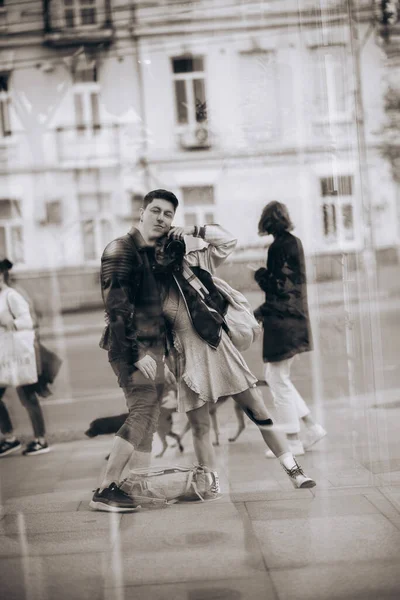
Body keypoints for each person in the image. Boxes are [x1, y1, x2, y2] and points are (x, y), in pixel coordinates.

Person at [156, 219, 316, 497]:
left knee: (260, 413)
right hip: (188, 361)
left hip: (221, 351)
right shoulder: (155, 287)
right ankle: (213, 485)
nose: (166, 251)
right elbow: (156, 330)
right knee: (200, 427)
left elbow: (227, 240)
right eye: (160, 247)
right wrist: (166, 362)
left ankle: (294, 471)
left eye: (170, 243)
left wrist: (194, 230)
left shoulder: (198, 263)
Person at [90, 189, 178, 512]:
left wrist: (162, 355)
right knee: (142, 409)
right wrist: (139, 351)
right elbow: (116, 307)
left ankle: (138, 483)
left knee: (151, 415)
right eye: (156, 211)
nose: (162, 218)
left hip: (152, 350)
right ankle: (105, 488)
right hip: (130, 348)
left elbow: (153, 310)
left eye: (168, 215)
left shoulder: (150, 254)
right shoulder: (121, 250)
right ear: (141, 213)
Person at [253, 201, 327, 457]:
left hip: (283, 322)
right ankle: (312, 426)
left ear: (267, 223)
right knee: (278, 377)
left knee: (276, 379)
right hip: (294, 318)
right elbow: (291, 286)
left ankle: (292, 441)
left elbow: (278, 287)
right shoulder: (293, 242)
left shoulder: (278, 247)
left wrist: (260, 275)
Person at [0, 259, 50, 457]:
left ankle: (41, 440)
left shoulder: (11, 295)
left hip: (19, 355)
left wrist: (10, 321)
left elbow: (29, 321)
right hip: (5, 355)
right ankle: (10, 438)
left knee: (28, 395)